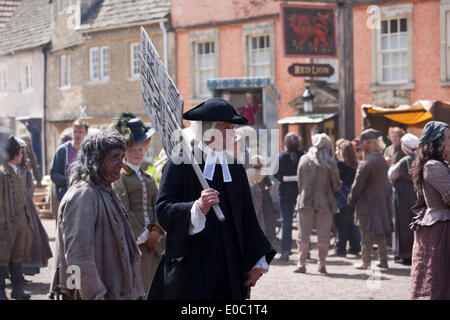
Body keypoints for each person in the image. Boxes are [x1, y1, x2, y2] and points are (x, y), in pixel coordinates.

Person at [148, 97, 276, 300]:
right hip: (193, 271)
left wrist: (256, 263)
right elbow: (163, 210)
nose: (234, 134)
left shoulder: (235, 168)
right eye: (228, 128)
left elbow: (247, 218)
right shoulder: (179, 164)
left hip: (230, 271)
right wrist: (196, 208)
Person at [49, 131, 144, 300]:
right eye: (115, 157)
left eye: (122, 157)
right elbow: (78, 257)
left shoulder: (105, 189)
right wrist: (95, 294)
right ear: (96, 159)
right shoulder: (83, 195)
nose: (121, 164)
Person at [111, 116, 165, 298]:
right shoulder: (120, 178)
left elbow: (159, 205)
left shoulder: (149, 178)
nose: (138, 153)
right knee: (137, 286)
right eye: (133, 150)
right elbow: (124, 209)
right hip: (134, 242)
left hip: (154, 243)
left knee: (153, 285)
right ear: (125, 152)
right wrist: (143, 236)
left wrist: (157, 232)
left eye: (141, 149)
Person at [410, 121, 449, 300]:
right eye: (448, 138)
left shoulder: (438, 165)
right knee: (436, 279)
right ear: (436, 143)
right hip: (439, 229)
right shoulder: (433, 166)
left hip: (439, 226)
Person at [294, 133, 342, 274]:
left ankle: (301, 263)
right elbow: (336, 185)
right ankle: (321, 264)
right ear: (327, 146)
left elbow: (299, 181)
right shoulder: (330, 162)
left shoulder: (303, 159)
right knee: (323, 234)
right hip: (325, 202)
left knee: (303, 234)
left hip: (305, 201)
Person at [348, 129, 393, 270]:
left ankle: (365, 261)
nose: (360, 145)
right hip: (381, 201)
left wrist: (351, 198)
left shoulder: (367, 162)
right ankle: (384, 261)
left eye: (362, 142)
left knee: (366, 233)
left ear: (370, 143)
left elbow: (358, 185)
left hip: (366, 203)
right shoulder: (381, 160)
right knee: (380, 233)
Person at [0, 136, 33, 300]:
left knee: (17, 257)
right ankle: (1, 291)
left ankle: (17, 290)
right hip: (6, 224)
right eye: (21, 152)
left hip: (20, 222)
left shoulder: (18, 171)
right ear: (15, 153)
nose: (23, 155)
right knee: (2, 258)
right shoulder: (2, 172)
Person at [19, 146, 52, 278]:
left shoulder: (24, 168)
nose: (25, 157)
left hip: (28, 204)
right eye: (23, 154)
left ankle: (20, 274)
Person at [387, 133, 419, 265]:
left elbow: (392, 175)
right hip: (415, 194)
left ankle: (405, 255)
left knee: (403, 225)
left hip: (403, 196)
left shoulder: (405, 160)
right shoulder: (420, 158)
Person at [274, 132, 305, 261]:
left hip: (285, 193)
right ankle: (305, 251)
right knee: (303, 223)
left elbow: (276, 174)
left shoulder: (280, 157)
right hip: (300, 192)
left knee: (286, 223)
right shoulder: (303, 156)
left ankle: (286, 251)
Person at [331, 139, 361, 257]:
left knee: (341, 224)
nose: (336, 152)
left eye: (339, 150)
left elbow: (336, 182)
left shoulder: (338, 165)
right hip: (353, 197)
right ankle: (355, 247)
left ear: (344, 152)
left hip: (341, 198)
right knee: (352, 223)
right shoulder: (357, 164)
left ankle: (340, 248)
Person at [50, 119, 89, 203]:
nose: (77, 135)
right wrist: (67, 180)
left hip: (85, 197)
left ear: (86, 133)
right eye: (75, 131)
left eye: (80, 132)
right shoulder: (62, 150)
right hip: (66, 197)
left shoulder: (89, 152)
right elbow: (53, 174)